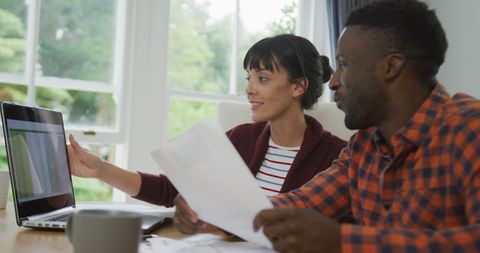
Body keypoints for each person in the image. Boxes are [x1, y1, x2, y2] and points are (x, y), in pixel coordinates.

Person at [175, 0, 480, 252]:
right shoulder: (364, 146)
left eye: (344, 64)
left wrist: (342, 241)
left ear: (390, 67)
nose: (333, 82)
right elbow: (303, 202)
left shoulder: (468, 129)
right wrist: (218, 212)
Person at [68, 34, 347, 208]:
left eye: (262, 78)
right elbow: (171, 189)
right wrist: (101, 170)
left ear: (298, 87)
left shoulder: (337, 156)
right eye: (248, 78)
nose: (249, 89)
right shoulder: (241, 138)